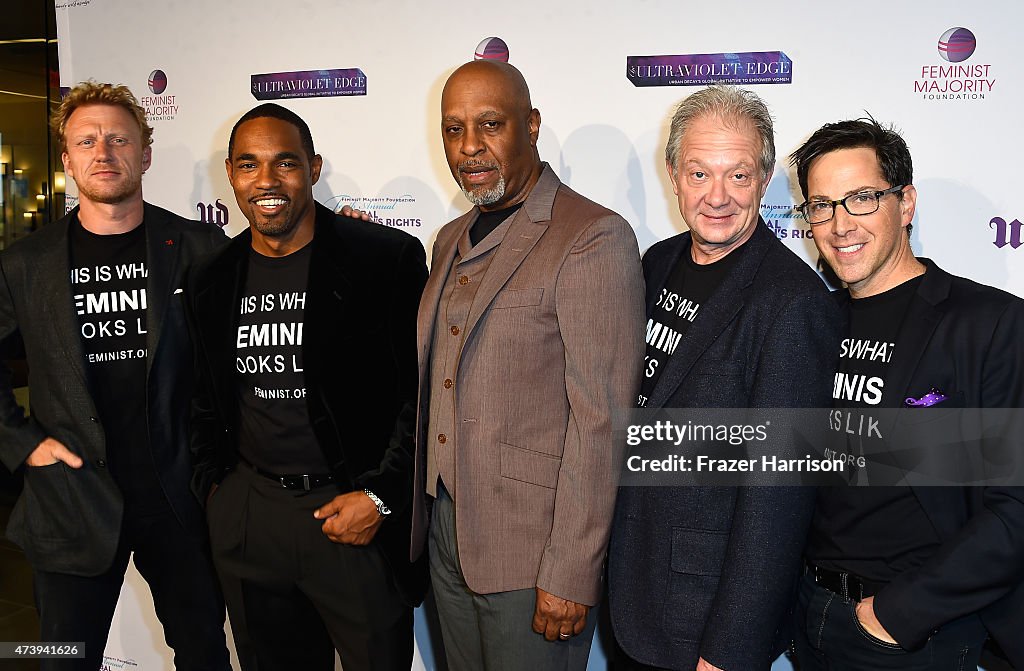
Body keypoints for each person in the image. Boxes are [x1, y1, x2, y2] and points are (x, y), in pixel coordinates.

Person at [409, 59, 645, 670]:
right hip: (448, 539)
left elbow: (603, 421)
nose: (469, 147)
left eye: (490, 125)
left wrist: (571, 570)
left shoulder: (591, 235)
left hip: (535, 552)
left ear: (531, 125)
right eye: (454, 129)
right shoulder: (448, 237)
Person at [184, 102, 427, 671]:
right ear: (231, 175)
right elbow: (201, 398)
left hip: (352, 517)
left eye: (284, 163)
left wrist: (381, 495)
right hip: (251, 518)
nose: (266, 181)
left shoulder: (383, 259)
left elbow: (423, 396)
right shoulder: (210, 277)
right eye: (249, 165)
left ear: (314, 168)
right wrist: (218, 495)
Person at [607, 84, 841, 671]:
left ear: (764, 182)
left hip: (705, 619)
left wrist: (730, 649)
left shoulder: (792, 302)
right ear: (672, 175)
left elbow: (778, 500)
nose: (717, 197)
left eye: (738, 176)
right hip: (632, 588)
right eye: (699, 173)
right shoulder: (655, 263)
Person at [0, 81, 230, 671]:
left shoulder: (200, 247)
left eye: (119, 138)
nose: (103, 151)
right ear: (69, 159)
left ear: (144, 154)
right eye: (87, 141)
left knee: (203, 651)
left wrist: (344, 236)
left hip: (178, 496)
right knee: (59, 657)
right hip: (70, 498)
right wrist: (24, 443)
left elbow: (278, 295)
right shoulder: (24, 265)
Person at [789, 117, 1024, 670]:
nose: (840, 223)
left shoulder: (989, 323)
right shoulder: (813, 322)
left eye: (862, 198)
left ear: (906, 202)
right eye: (821, 205)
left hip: (918, 634)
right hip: (809, 616)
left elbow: (1016, 507)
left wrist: (896, 614)